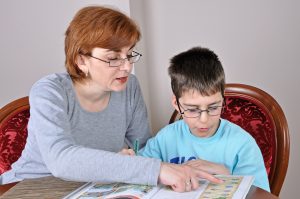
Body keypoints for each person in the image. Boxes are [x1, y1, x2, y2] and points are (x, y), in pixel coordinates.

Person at [0, 6, 224, 192]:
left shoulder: (129, 87)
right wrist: (155, 169)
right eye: (113, 58)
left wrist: (134, 158)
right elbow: (61, 159)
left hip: (90, 188)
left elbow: (144, 148)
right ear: (81, 60)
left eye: (129, 54)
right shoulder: (49, 91)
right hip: (29, 187)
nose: (127, 67)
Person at [140, 46, 270, 192]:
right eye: (193, 109)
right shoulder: (164, 139)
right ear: (176, 104)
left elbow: (259, 194)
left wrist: (227, 175)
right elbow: (139, 174)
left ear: (223, 100)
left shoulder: (243, 145)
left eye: (213, 107)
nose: (204, 119)